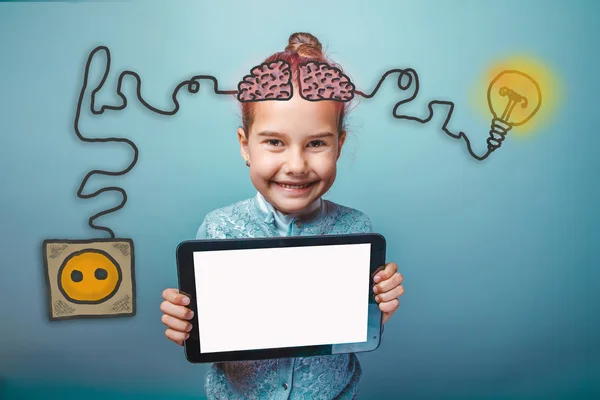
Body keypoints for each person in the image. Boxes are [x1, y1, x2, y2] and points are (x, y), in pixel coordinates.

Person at [160, 32, 405, 399]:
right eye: (275, 142)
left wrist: (376, 307)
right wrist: (186, 321)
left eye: (316, 143)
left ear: (340, 145)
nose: (296, 165)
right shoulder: (219, 229)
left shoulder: (356, 229)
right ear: (246, 145)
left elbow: (355, 328)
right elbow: (204, 325)